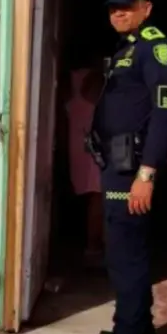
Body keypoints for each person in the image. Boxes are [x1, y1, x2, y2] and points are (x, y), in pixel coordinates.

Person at [83, 0, 167, 334]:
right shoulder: (128, 48)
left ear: (146, 7)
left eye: (125, 5)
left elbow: (164, 112)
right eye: (112, 7)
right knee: (124, 251)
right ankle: (137, 329)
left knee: (127, 256)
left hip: (133, 168)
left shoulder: (156, 50)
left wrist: (147, 173)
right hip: (117, 165)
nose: (118, 12)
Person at [66, 65, 106, 263]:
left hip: (76, 139)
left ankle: (86, 242)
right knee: (97, 196)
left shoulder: (69, 77)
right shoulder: (95, 77)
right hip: (90, 143)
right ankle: (93, 245)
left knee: (87, 195)